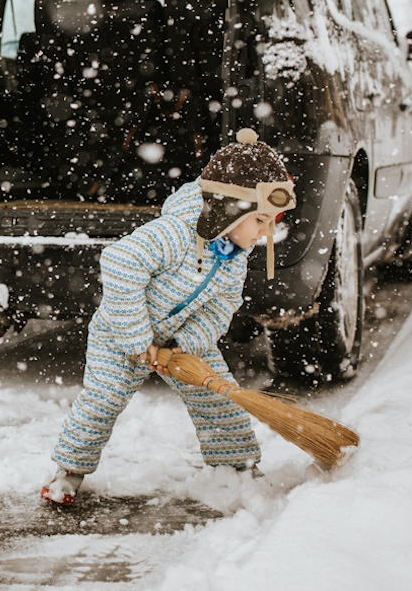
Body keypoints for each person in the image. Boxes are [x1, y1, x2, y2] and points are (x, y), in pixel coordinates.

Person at [41, 128, 297, 504]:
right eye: (260, 220)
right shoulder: (175, 233)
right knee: (103, 400)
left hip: (179, 337)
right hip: (120, 335)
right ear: (229, 208)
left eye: (271, 222)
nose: (266, 232)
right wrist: (135, 338)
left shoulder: (234, 258)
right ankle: (68, 472)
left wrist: (183, 345)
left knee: (217, 397)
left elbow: (221, 309)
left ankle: (238, 467)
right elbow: (119, 261)